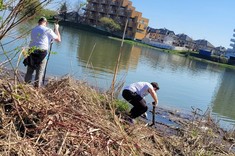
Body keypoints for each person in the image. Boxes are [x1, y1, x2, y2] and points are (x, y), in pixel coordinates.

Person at [24, 17, 61, 87]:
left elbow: (42, 38)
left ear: (38, 22)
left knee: (29, 71)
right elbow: (59, 39)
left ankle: (25, 86)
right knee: (39, 72)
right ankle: (36, 88)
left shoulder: (34, 29)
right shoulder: (48, 30)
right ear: (46, 23)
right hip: (41, 53)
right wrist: (56, 28)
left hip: (31, 51)